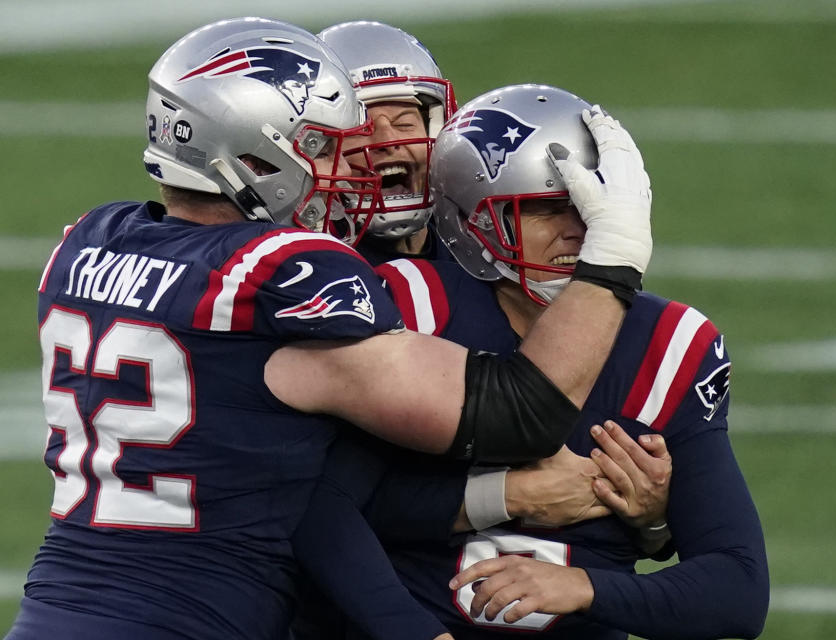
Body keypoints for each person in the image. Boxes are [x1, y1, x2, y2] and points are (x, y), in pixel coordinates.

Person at [6, 16, 656, 640]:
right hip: (190, 620)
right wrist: (614, 255)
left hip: (56, 610)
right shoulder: (283, 272)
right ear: (252, 156)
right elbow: (520, 412)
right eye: (323, 147)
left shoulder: (90, 245)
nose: (349, 171)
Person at [363, 84, 769, 639]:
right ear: (474, 223)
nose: (581, 231)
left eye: (595, 207)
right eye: (549, 209)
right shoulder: (407, 306)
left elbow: (738, 591)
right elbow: (321, 508)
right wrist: (502, 495)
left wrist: (588, 583)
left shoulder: (671, 342)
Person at [318, 20, 457, 263]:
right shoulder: (307, 270)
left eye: (404, 123)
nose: (388, 140)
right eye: (361, 128)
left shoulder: (480, 257)